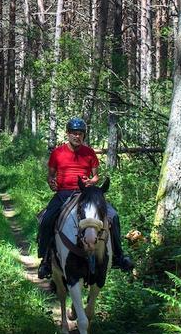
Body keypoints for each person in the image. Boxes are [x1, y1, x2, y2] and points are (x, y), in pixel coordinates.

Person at [36, 117, 134, 279]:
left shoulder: (89, 153)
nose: (77, 136)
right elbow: (51, 176)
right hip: (64, 193)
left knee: (113, 216)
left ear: (84, 136)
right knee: (47, 219)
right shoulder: (57, 153)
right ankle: (45, 260)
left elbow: (96, 177)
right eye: (74, 133)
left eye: (80, 134)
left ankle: (118, 256)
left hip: (87, 193)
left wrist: (91, 181)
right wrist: (51, 183)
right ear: (67, 134)